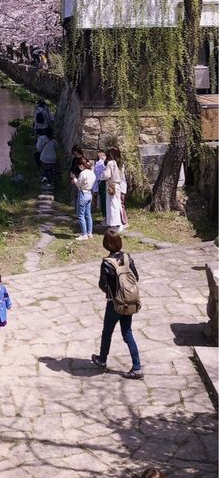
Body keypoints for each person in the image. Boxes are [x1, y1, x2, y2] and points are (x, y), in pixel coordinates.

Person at [92, 231, 143, 379]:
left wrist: (112, 292)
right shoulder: (127, 257)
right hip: (130, 302)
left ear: (106, 244)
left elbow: (102, 284)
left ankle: (102, 360)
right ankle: (137, 367)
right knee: (127, 333)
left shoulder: (107, 262)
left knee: (107, 332)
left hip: (114, 304)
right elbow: (136, 277)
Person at [97, 145, 125, 231]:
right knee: (117, 204)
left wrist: (102, 174)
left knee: (112, 205)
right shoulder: (120, 163)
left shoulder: (111, 163)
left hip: (111, 185)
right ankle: (119, 223)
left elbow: (107, 175)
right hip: (118, 185)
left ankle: (114, 224)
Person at [73, 158, 96, 240]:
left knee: (81, 215)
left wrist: (74, 178)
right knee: (88, 214)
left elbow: (78, 184)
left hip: (83, 193)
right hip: (89, 193)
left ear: (81, 165)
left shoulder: (83, 173)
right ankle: (90, 233)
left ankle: (84, 234)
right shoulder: (92, 173)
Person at [93, 149, 107, 227]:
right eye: (101, 154)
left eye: (103, 154)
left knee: (104, 201)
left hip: (103, 182)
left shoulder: (102, 163)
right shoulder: (98, 163)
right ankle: (105, 217)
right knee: (103, 201)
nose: (102, 156)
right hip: (101, 182)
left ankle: (106, 218)